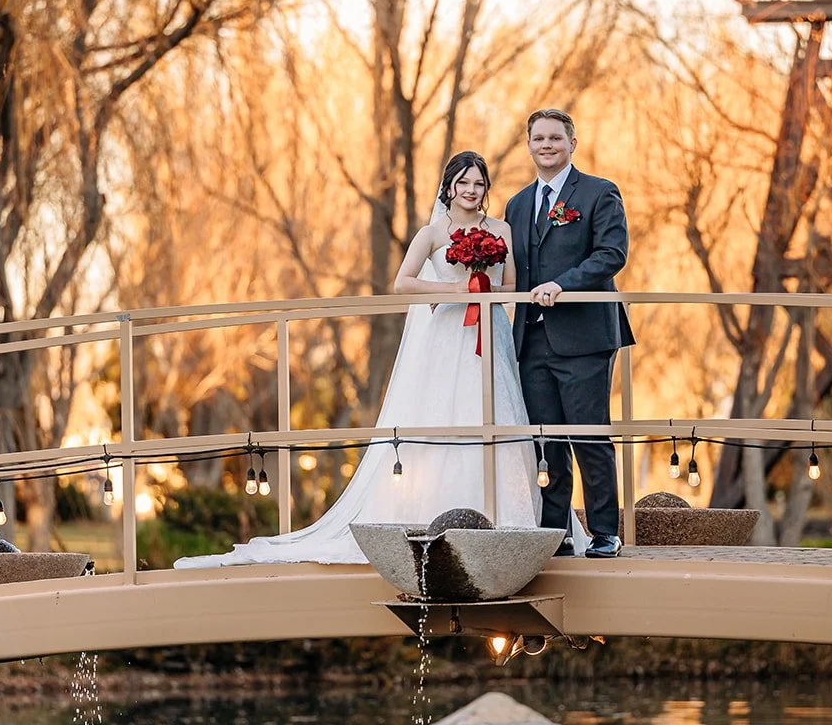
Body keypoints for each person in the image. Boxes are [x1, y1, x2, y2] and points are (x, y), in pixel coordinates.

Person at [175, 150, 589, 568]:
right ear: (449, 187)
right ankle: (438, 515)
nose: (471, 190)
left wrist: (483, 291)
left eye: (478, 183)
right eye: (463, 182)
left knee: (497, 415)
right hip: (447, 334)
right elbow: (403, 283)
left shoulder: (500, 229)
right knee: (445, 414)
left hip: (490, 334)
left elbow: (512, 286)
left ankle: (507, 518)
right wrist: (454, 291)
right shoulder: (432, 233)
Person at [504, 108, 635, 558]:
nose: (547, 145)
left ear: (572, 143)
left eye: (555, 138)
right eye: (539, 138)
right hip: (531, 340)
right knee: (547, 441)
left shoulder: (599, 192)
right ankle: (555, 533)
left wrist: (563, 284)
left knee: (589, 436)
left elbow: (612, 253)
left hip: (584, 338)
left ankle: (604, 532)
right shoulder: (517, 204)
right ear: (528, 145)